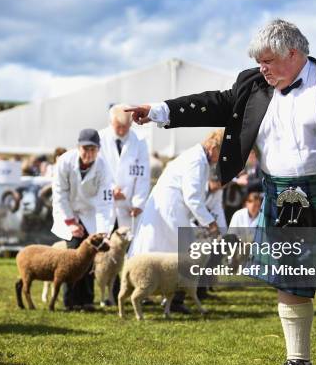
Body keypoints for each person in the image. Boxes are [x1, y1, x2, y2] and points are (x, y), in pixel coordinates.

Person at [127, 19, 316, 365]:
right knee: (288, 280)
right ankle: (299, 362)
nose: (262, 68)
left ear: (294, 53)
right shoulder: (253, 84)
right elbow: (216, 103)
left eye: (268, 61)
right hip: (283, 195)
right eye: (258, 61)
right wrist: (160, 110)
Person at [128, 130, 222, 313]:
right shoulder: (196, 161)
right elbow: (193, 197)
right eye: (220, 154)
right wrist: (210, 223)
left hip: (169, 212)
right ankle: (167, 299)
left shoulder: (196, 158)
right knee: (182, 257)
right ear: (212, 147)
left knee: (158, 253)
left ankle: (160, 297)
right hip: (170, 212)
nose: (219, 160)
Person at [51, 129, 113, 311]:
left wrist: (102, 232)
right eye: (85, 148)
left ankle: (86, 300)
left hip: (91, 214)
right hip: (68, 211)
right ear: (78, 147)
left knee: (89, 258)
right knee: (71, 258)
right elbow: (59, 193)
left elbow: (104, 202)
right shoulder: (64, 162)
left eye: (93, 149)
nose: (88, 153)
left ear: (98, 150)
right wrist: (70, 222)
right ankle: (70, 301)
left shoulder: (103, 167)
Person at [99, 104, 150, 233]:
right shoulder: (100, 139)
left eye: (125, 127)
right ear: (111, 122)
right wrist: (110, 190)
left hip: (129, 206)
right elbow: (96, 170)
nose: (122, 131)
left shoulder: (140, 141)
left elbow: (142, 175)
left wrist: (138, 203)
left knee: (127, 244)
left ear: (131, 124)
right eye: (118, 127)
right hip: (104, 202)